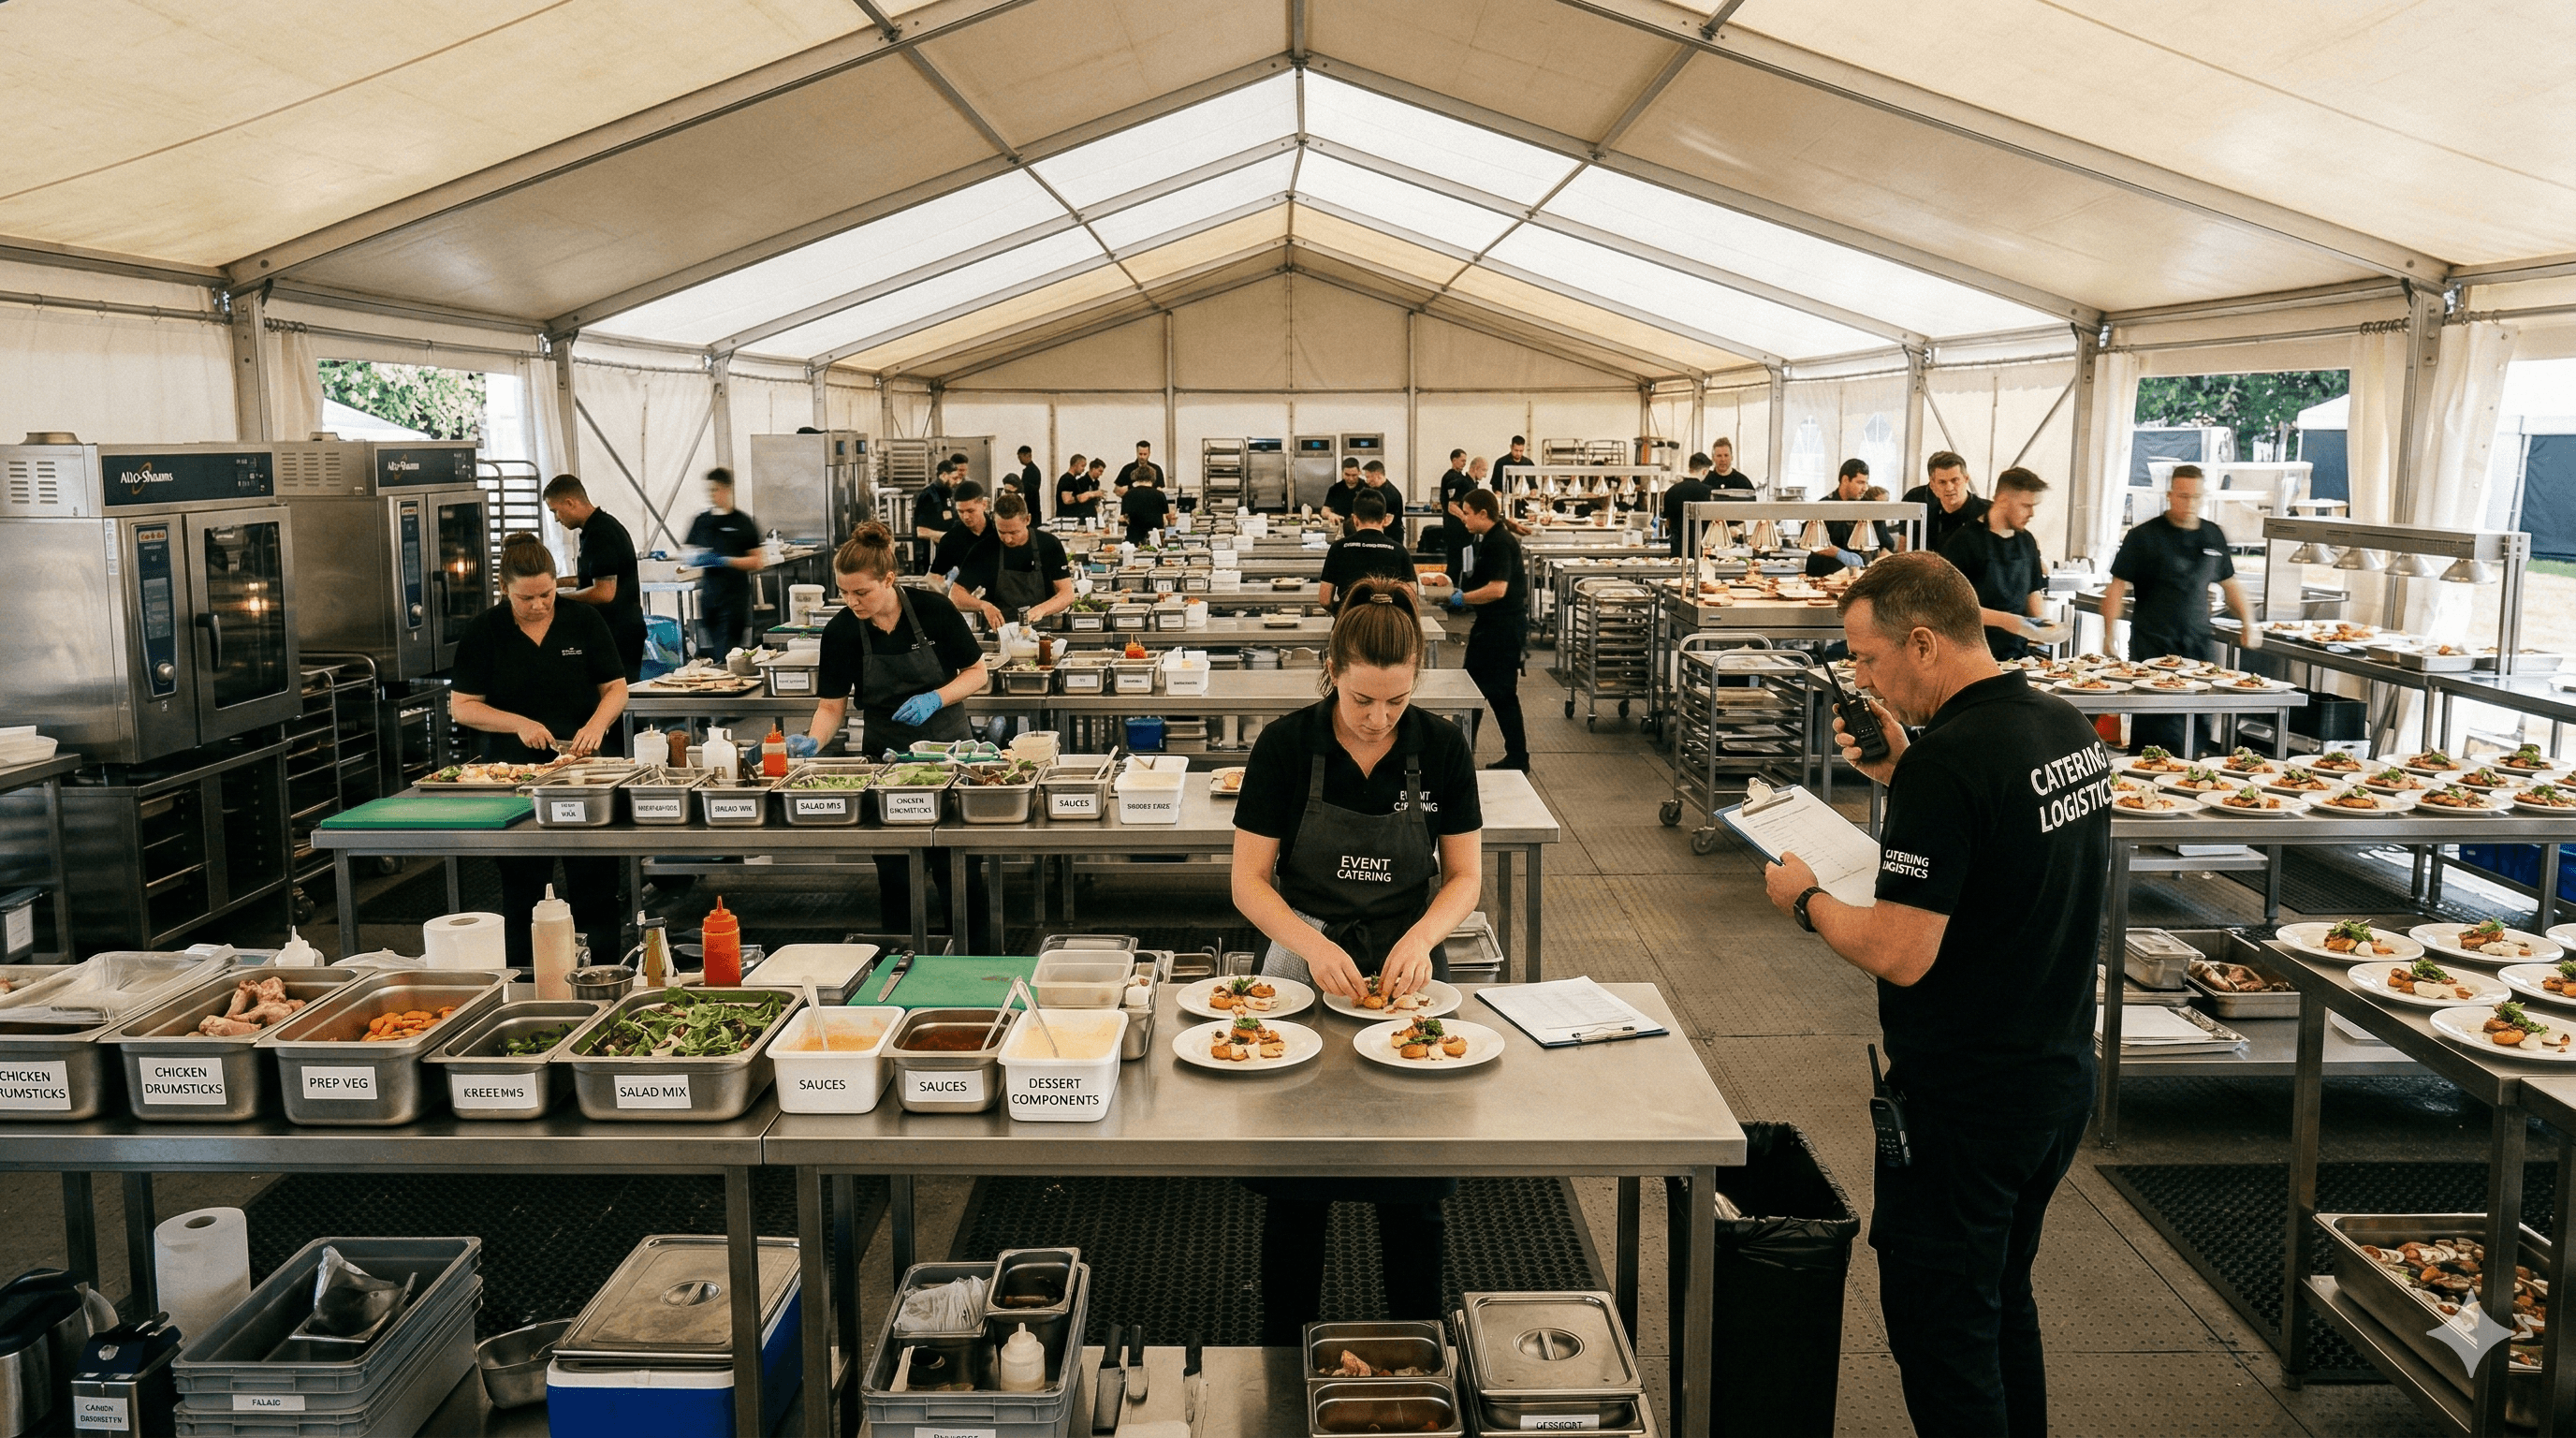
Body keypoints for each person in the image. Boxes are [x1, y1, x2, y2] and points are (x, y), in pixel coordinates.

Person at [1761, 551, 2106, 1438]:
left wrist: (1806, 897)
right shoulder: (2063, 729)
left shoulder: (1950, 767)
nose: (1862, 680)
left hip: (1966, 1103)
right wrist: (1901, 773)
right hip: (2056, 1076)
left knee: (1943, 1332)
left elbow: (1901, 952)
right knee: (2000, 1299)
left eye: (1869, 659)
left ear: (1922, 640)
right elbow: (1997, 865)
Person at [1229, 578, 1486, 1345]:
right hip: (1300, 969)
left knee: (1413, 1184)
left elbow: (1465, 876)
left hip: (1405, 973)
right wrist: (1312, 947)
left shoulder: (1440, 746)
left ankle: (1414, 1351)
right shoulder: (1285, 745)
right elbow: (1248, 881)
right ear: (1331, 671)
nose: (1378, 720)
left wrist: (1421, 939)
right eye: (1362, 700)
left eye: (1396, 702)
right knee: (1296, 1181)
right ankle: (1281, 1356)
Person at [796, 522, 992, 943]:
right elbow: (832, 706)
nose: (851, 602)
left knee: (957, 867)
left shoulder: (934, 610)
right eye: (844, 593)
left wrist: (936, 699)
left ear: (889, 579)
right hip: (886, 760)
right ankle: (902, 962)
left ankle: (979, 959)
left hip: (950, 751)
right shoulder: (841, 631)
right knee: (895, 871)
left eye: (861, 593)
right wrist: (814, 740)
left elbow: (978, 673)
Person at [449, 539, 630, 966]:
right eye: (525, 598)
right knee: (523, 887)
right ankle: (529, 980)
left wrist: (596, 725)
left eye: (546, 594)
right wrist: (519, 723)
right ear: (503, 589)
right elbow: (463, 706)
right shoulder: (485, 630)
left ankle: (605, 975)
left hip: (584, 774)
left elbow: (615, 687)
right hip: (514, 779)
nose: (538, 605)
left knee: (595, 884)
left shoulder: (582, 620)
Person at [2102, 465, 2261, 754]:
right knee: (2155, 731)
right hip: (2152, 646)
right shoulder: (2143, 536)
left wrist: (2250, 623)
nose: (2190, 504)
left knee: (2197, 728)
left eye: (2196, 497)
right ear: (2169, 495)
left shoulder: (2213, 536)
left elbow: (2230, 583)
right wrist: (2108, 633)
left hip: (2198, 647)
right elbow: (2116, 587)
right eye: (2183, 496)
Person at [1437, 490, 1531, 771]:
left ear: (1482, 514)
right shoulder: (1491, 538)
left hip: (1501, 630)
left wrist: (1459, 599)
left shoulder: (1499, 542)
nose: (1462, 517)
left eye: (1466, 512)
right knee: (1477, 690)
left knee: (1497, 694)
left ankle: (1510, 757)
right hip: (1494, 627)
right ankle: (1467, 752)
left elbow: (1497, 589)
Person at [1939, 466, 2053, 660]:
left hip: (2018, 656)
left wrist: (2041, 626)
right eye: (2026, 505)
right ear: (2002, 501)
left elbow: (2032, 591)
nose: (2032, 513)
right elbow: (1952, 607)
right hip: (1972, 656)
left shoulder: (2027, 541)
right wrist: (2010, 621)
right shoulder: (1964, 541)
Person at [542, 476, 648, 680]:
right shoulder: (597, 528)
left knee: (612, 698)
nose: (556, 518)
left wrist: (556, 599)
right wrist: (554, 584)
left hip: (618, 634)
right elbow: (590, 579)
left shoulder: (600, 534)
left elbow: (604, 593)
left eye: (555, 510)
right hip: (618, 632)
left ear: (570, 502)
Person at [682, 467, 765, 657]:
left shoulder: (742, 522)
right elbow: (686, 551)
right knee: (713, 650)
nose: (711, 495)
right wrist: (695, 558)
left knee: (727, 650)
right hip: (710, 597)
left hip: (734, 598)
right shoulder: (701, 521)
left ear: (727, 489)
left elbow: (757, 561)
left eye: (715, 489)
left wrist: (726, 561)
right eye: (709, 490)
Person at [1318, 490, 1417, 610]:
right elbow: (1412, 596)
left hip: (1350, 622)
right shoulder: (1400, 551)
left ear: (1355, 519)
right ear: (1385, 519)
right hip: (1388, 624)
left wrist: (1341, 613)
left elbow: (1324, 600)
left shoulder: (1338, 548)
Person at [1804, 459, 1887, 578]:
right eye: (1860, 483)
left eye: (1866, 483)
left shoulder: (1868, 507)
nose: (1865, 488)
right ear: (1845, 480)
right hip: (1823, 575)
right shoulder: (1824, 506)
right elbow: (1811, 542)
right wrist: (1840, 554)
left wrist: (1879, 564)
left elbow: (1885, 544)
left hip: (1858, 577)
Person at [930, 480, 1000, 617]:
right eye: (960, 512)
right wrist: (944, 591)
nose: (966, 517)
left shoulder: (999, 533)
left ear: (984, 504)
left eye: (970, 511)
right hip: (967, 607)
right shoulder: (951, 540)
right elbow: (934, 576)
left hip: (1000, 603)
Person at [1901, 452, 1989, 555]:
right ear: (1932, 485)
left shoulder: (1988, 513)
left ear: (1966, 479)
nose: (1949, 488)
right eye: (1942, 482)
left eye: (1955, 480)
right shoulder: (1927, 517)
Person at [1661, 451, 1717, 557]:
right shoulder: (1708, 492)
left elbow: (1668, 524)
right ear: (1705, 471)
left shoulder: (1671, 491)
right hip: (1699, 551)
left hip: (1676, 551)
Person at [911, 459, 960, 573]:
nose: (957, 482)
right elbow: (921, 531)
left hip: (946, 554)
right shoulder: (928, 495)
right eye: (954, 478)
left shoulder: (947, 492)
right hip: (931, 556)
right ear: (943, 475)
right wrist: (948, 537)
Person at [1436, 448, 1474, 577]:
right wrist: (1464, 518)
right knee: (1455, 563)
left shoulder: (1460, 477)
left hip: (1457, 529)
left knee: (1458, 562)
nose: (1464, 463)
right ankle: (1451, 591)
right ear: (1454, 460)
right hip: (1454, 529)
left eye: (1465, 461)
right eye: (1462, 461)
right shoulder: (1451, 478)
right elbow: (1451, 506)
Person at [1119, 468, 1174, 547]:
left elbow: (1124, 518)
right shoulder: (1160, 494)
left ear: (1135, 478)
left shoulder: (1128, 495)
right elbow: (1165, 518)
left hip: (1134, 537)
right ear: (1153, 478)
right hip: (1155, 537)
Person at [1359, 460, 1406, 546]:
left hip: (1390, 537)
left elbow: (1386, 521)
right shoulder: (1375, 489)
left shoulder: (1391, 495)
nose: (1367, 481)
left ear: (1378, 475)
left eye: (1369, 477)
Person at [1322, 456, 1363, 531]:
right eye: (1347, 475)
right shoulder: (1335, 489)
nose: (1351, 478)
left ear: (1359, 472)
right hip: (1340, 527)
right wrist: (1330, 515)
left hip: (1361, 528)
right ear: (1342, 473)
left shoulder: (1367, 488)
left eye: (1354, 475)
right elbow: (1324, 510)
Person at [1056, 452, 1098, 521]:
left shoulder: (1073, 479)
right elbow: (1067, 500)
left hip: (1073, 519)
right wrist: (1084, 496)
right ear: (1075, 465)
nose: (1084, 469)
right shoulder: (1067, 479)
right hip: (1067, 520)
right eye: (1082, 466)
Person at [1010, 444, 1046, 522]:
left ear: (1027, 455)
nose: (1019, 460)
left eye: (1020, 457)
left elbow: (1030, 488)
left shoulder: (1031, 471)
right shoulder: (1033, 469)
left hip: (1031, 507)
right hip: (1034, 507)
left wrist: (1017, 488)